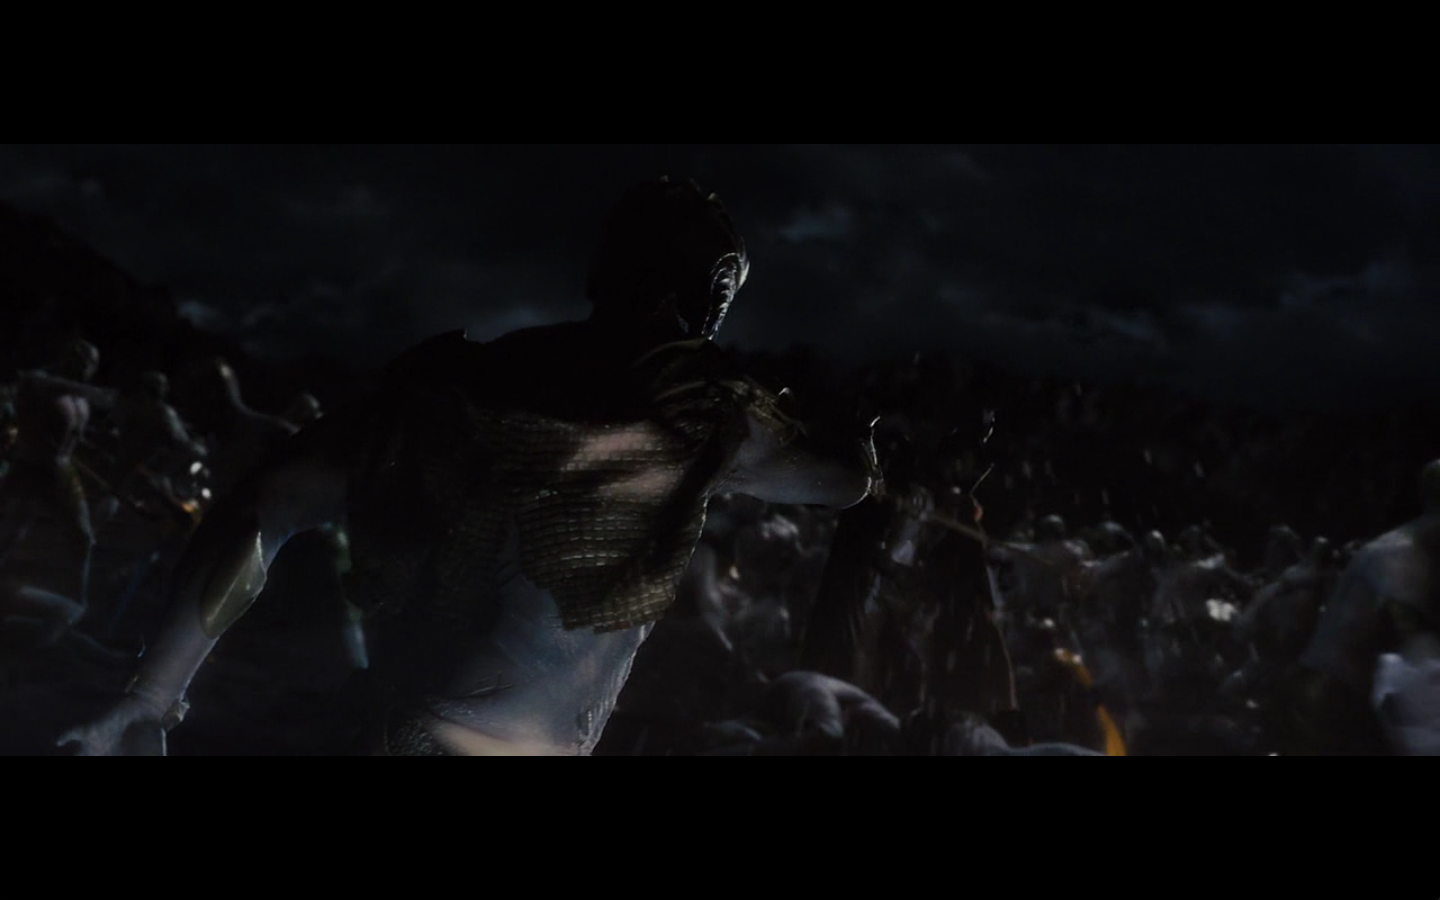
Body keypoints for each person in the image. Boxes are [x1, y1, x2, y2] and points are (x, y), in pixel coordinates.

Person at [61, 177, 879, 757]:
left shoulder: (450, 386)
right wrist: (856, 433)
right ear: (711, 300)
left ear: (600, 272)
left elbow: (267, 500)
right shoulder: (711, 414)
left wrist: (150, 695)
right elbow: (843, 483)